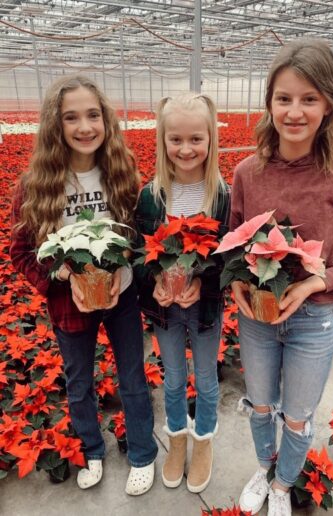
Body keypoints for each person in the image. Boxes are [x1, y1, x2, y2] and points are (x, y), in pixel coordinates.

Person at [230, 39, 333, 515]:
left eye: (308, 99)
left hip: (313, 322)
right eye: (284, 98)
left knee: (296, 416)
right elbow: (233, 243)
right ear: (269, 102)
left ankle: (283, 484)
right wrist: (235, 281)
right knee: (259, 404)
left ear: (329, 105)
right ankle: (265, 467)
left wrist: (316, 282)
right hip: (257, 318)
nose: (294, 112)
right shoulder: (247, 172)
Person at [10, 75, 158, 495]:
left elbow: (139, 237)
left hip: (121, 296)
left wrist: (125, 267)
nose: (85, 126)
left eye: (93, 115)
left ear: (106, 120)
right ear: (54, 125)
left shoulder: (121, 174)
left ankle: (143, 453)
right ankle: (92, 450)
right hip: (70, 305)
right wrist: (61, 275)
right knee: (79, 384)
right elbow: (21, 252)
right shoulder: (36, 185)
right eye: (71, 117)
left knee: (132, 377)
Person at [134, 92, 230, 494]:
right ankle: (177, 439)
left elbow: (229, 257)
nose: (186, 148)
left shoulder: (221, 195)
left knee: (205, 379)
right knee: (173, 379)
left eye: (196, 139)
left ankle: (203, 440)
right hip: (165, 310)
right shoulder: (150, 195)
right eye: (175, 139)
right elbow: (138, 253)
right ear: (163, 141)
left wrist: (203, 285)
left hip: (204, 309)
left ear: (210, 140)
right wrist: (154, 283)